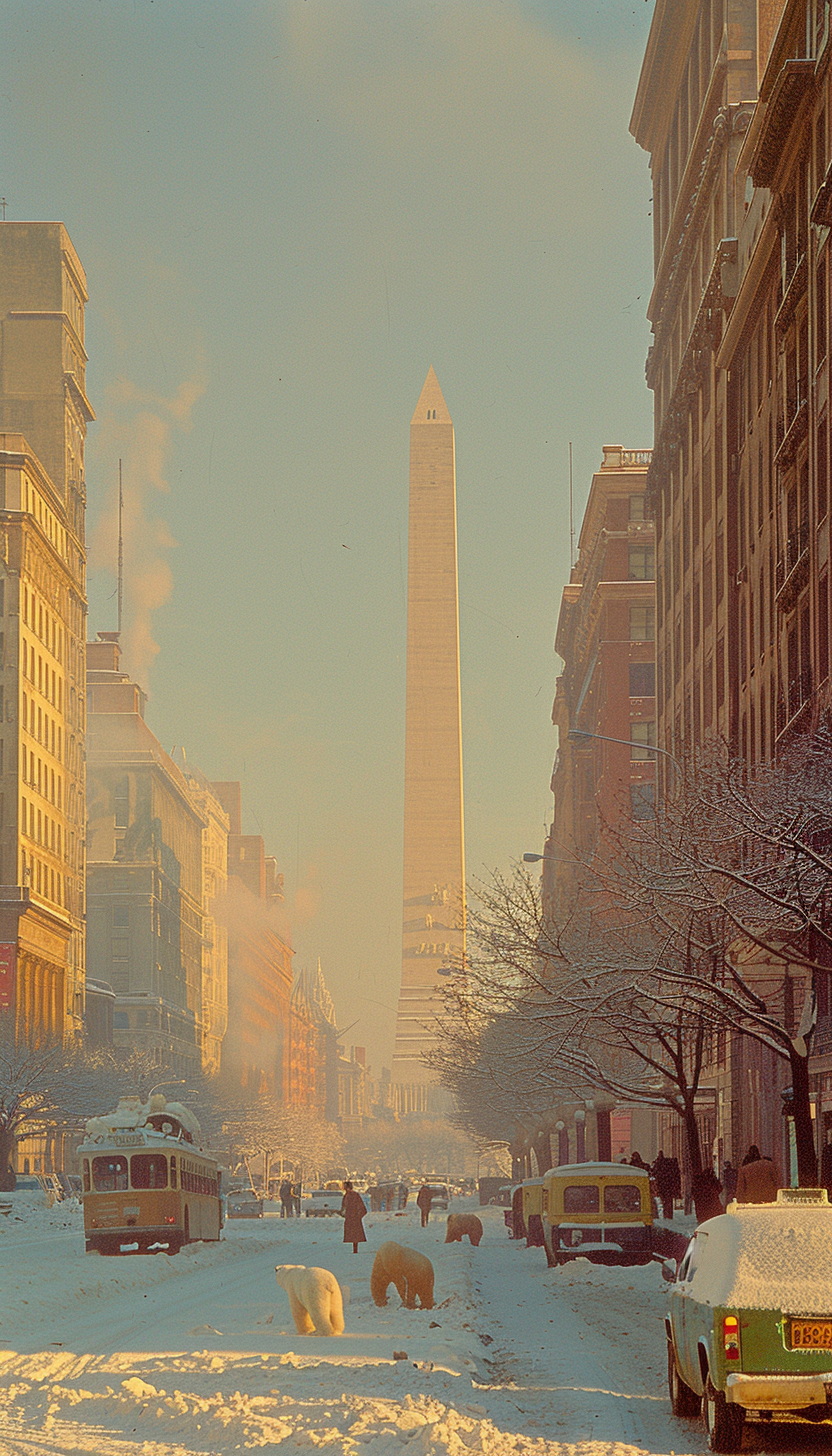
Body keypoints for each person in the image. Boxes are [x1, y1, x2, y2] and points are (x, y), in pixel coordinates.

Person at [340, 1180, 367, 1253]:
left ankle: (355, 1249)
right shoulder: (352, 1195)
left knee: (354, 1234)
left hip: (352, 1217)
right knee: (355, 1235)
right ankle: (355, 1248)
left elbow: (344, 1207)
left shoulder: (349, 1195)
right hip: (353, 1217)